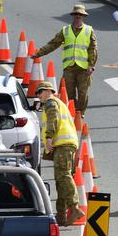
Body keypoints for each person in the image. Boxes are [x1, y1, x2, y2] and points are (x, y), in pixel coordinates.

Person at [32, 5, 97, 116]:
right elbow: (53, 44)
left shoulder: (89, 30)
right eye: (76, 14)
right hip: (69, 67)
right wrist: (39, 53)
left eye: (80, 14)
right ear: (73, 15)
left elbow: (93, 49)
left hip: (84, 67)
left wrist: (91, 65)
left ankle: (80, 113)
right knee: (68, 92)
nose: (78, 16)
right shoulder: (65, 31)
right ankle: (71, 111)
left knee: (83, 93)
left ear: (83, 16)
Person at [36, 81, 85, 226]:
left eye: (39, 92)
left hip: (63, 144)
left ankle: (74, 207)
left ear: (47, 91)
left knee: (63, 175)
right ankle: (61, 215)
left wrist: (49, 136)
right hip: (65, 145)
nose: (38, 96)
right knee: (60, 180)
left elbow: (53, 119)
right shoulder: (57, 103)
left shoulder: (51, 103)